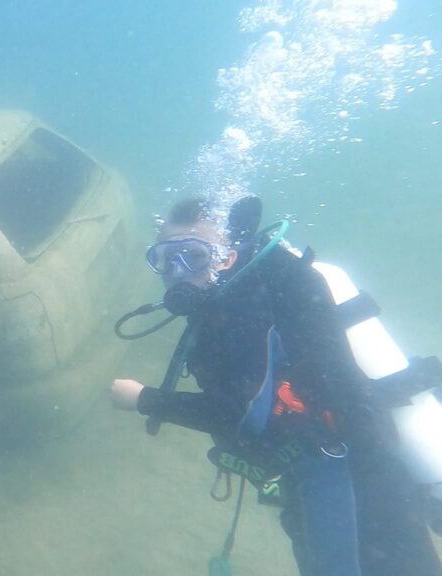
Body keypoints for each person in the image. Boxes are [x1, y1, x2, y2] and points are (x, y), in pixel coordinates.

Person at [110, 197, 442, 576]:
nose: (176, 271)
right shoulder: (221, 304)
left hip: (343, 475)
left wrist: (145, 399)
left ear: (227, 257)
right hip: (315, 478)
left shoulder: (247, 307)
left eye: (194, 256)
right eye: (164, 259)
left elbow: (243, 411)